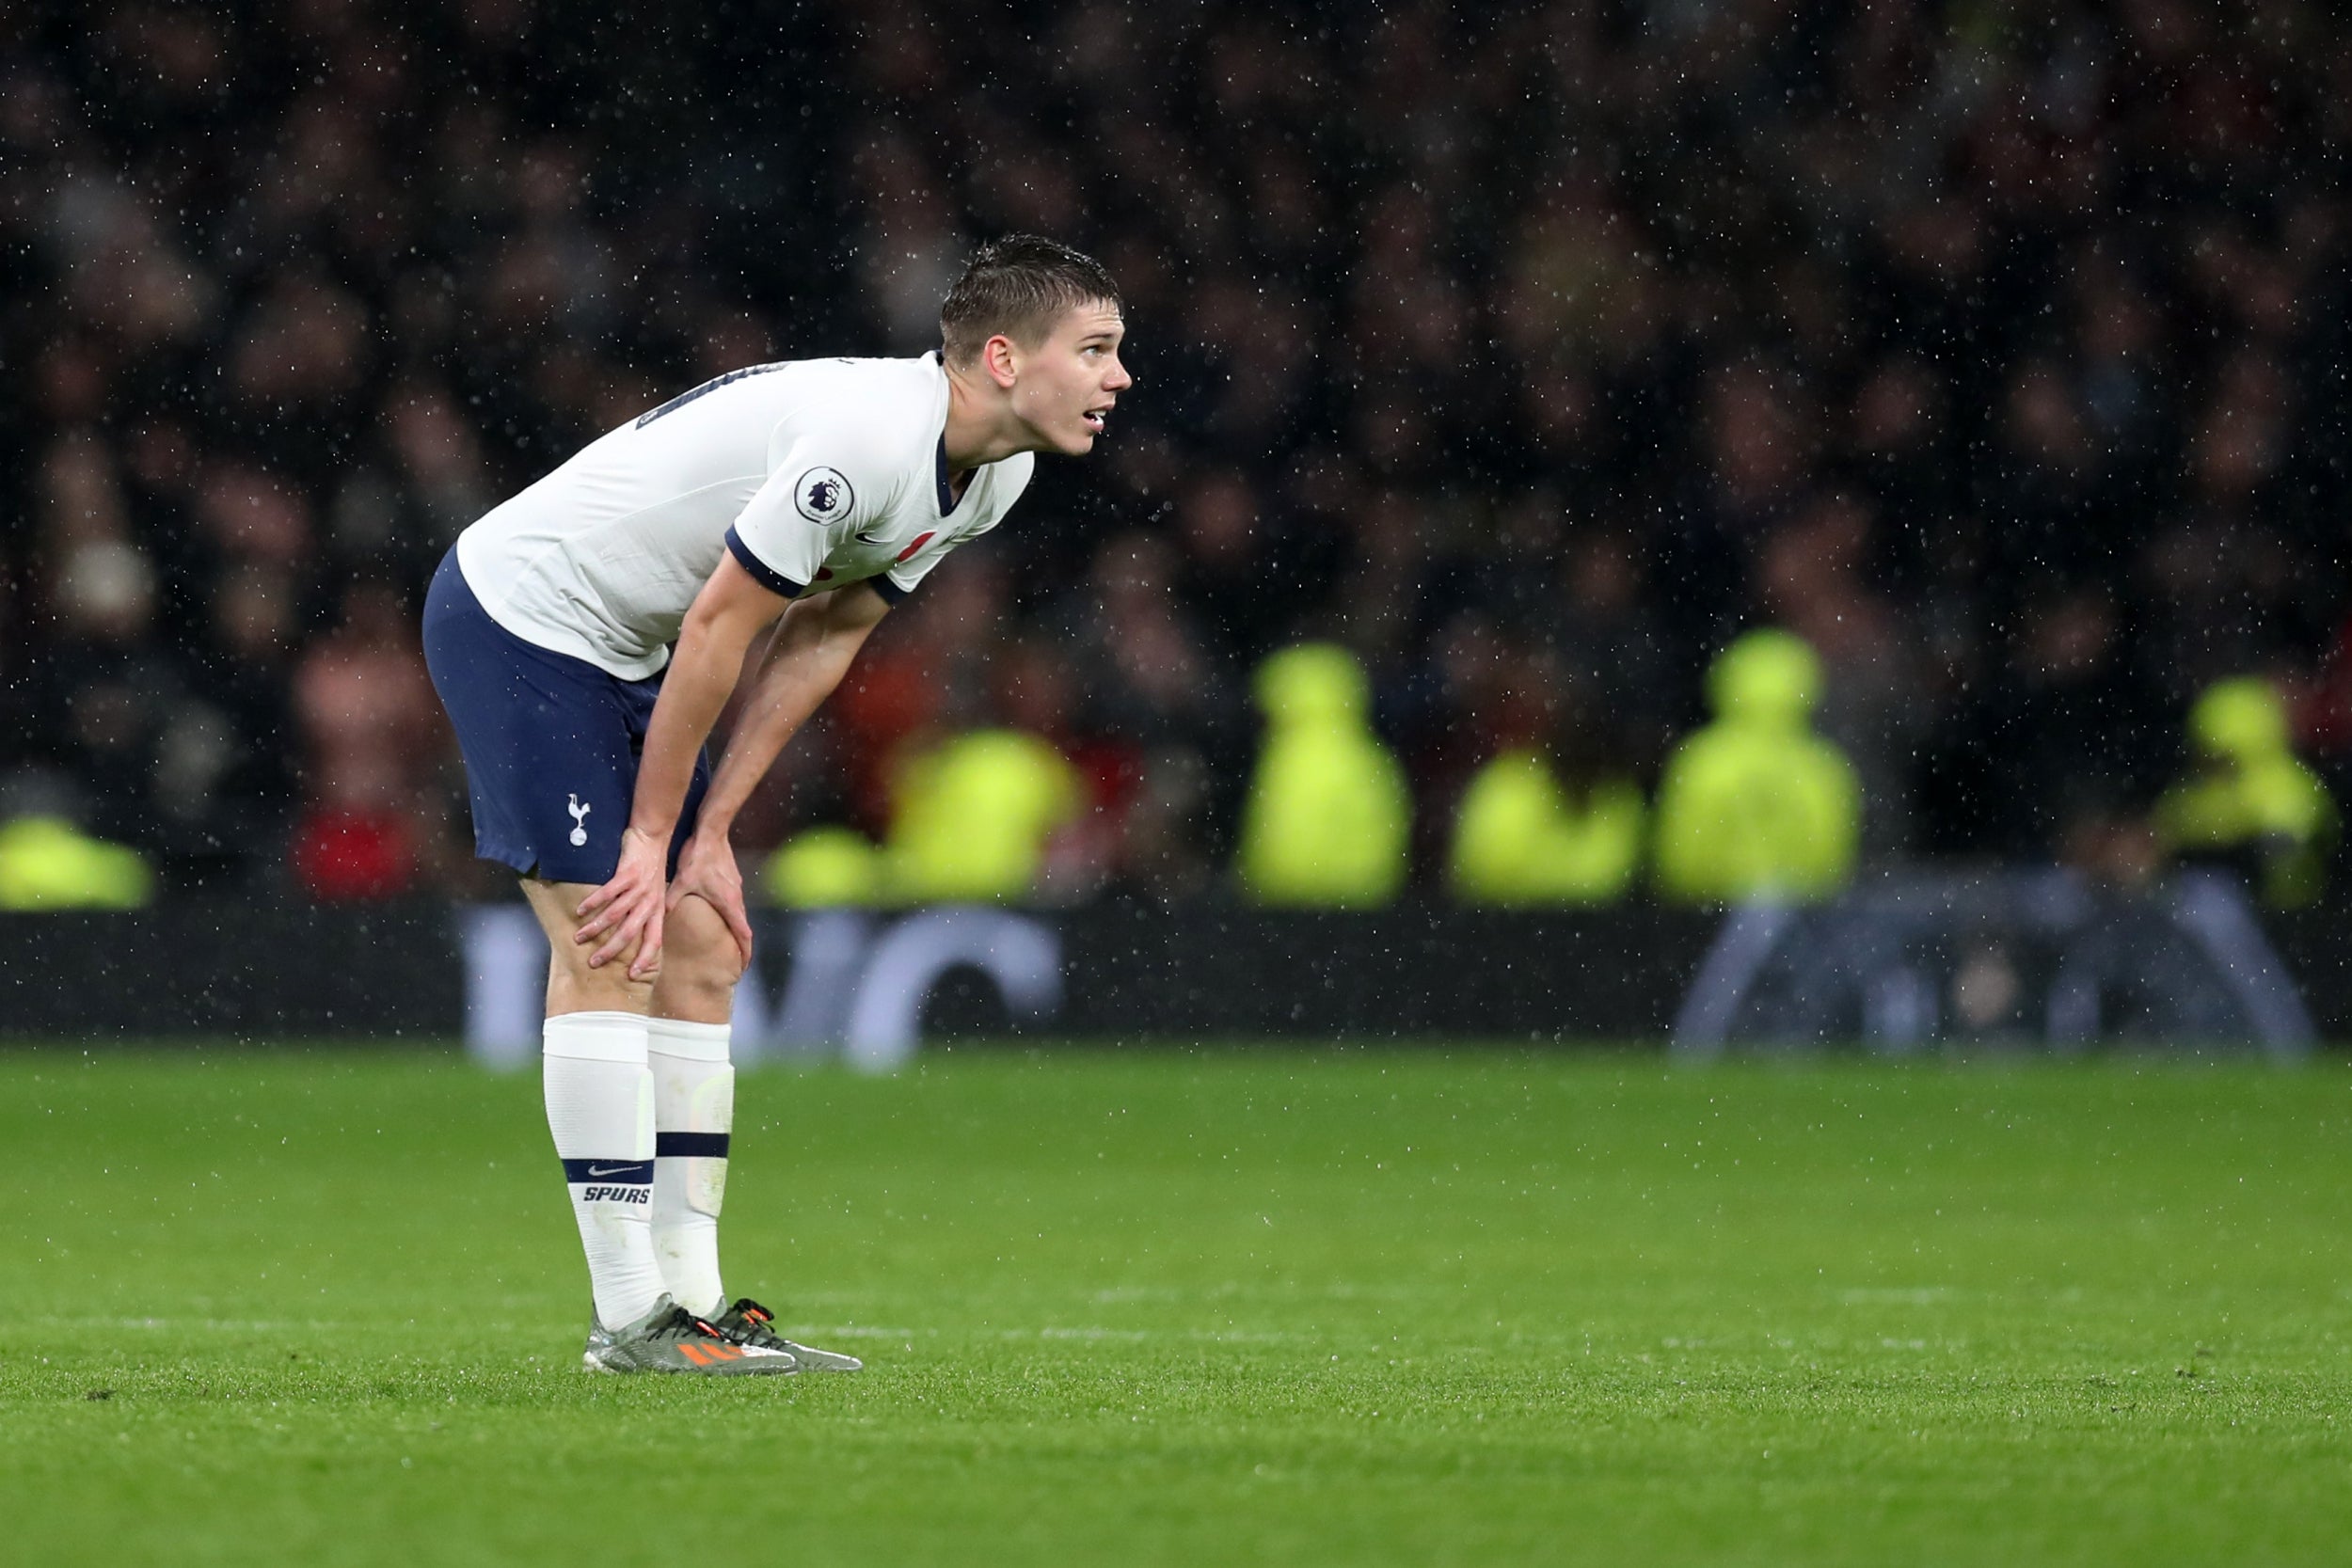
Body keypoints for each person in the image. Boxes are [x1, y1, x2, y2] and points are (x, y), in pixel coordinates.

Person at [421, 236, 1130, 1374]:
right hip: (523, 616)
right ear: (1003, 358)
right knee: (617, 930)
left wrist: (707, 838)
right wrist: (651, 837)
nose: (1118, 377)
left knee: (701, 945)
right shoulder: (865, 445)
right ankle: (626, 1319)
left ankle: (693, 1306)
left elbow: (826, 632)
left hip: (625, 649)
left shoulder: (997, 474)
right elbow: (718, 628)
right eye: (1094, 350)